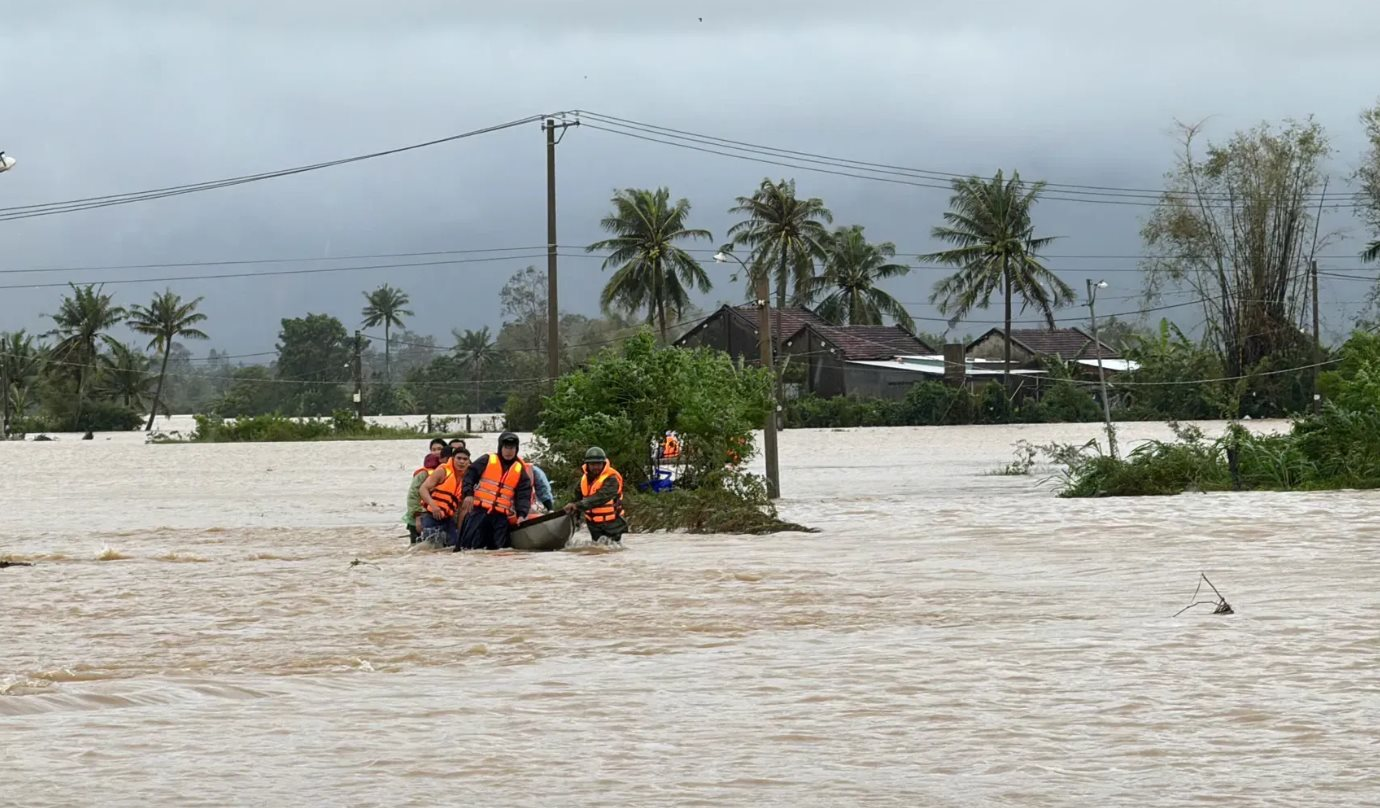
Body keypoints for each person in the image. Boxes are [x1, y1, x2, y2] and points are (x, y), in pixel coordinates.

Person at [456, 432, 531, 551]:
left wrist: (522, 515)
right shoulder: (487, 459)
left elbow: (524, 495)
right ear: (500, 447)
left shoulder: (520, 469)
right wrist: (468, 494)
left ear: (516, 449)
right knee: (468, 548)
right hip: (479, 512)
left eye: (512, 448)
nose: (509, 451)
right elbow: (469, 476)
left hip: (500, 517)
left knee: (498, 551)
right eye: (506, 447)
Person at [563, 446, 627, 545]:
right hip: (593, 525)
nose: (596, 467)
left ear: (603, 464)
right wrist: (575, 518)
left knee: (612, 549)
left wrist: (577, 505)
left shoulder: (612, 478)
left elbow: (601, 497)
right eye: (592, 464)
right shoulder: (584, 480)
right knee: (597, 550)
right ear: (587, 465)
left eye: (598, 464)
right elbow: (577, 499)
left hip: (613, 524)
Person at [418, 447, 472, 548]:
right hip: (431, 515)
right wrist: (434, 506)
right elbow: (423, 489)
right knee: (430, 547)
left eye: (465, 459)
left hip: (448, 519)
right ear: (453, 458)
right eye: (459, 458)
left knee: (454, 546)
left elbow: (462, 508)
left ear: (468, 461)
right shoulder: (443, 471)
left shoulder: (467, 478)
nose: (462, 462)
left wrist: (460, 530)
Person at [404, 453, 443, 543]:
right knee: (419, 544)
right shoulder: (424, 474)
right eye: (434, 449)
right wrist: (417, 516)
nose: (436, 452)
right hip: (419, 515)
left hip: (434, 515)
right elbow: (413, 495)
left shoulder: (444, 474)